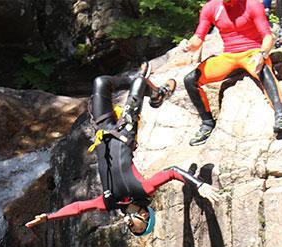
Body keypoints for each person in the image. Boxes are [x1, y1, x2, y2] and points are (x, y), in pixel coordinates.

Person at [25, 67, 221, 234]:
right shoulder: (144, 189)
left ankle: (139, 83)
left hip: (103, 132)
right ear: (144, 215)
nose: (130, 226)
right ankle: (157, 94)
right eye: (136, 227)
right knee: (138, 84)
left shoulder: (109, 202)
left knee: (101, 82)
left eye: (131, 230)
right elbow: (171, 172)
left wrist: (50, 217)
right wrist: (199, 185)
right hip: (124, 135)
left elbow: (78, 208)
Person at [181, 0, 282, 146]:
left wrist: (263, 54)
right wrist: (189, 46)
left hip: (252, 52)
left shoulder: (252, 4)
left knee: (262, 68)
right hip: (229, 56)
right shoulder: (211, 7)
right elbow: (198, 38)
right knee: (190, 80)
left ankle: (281, 115)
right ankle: (207, 123)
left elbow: (267, 36)